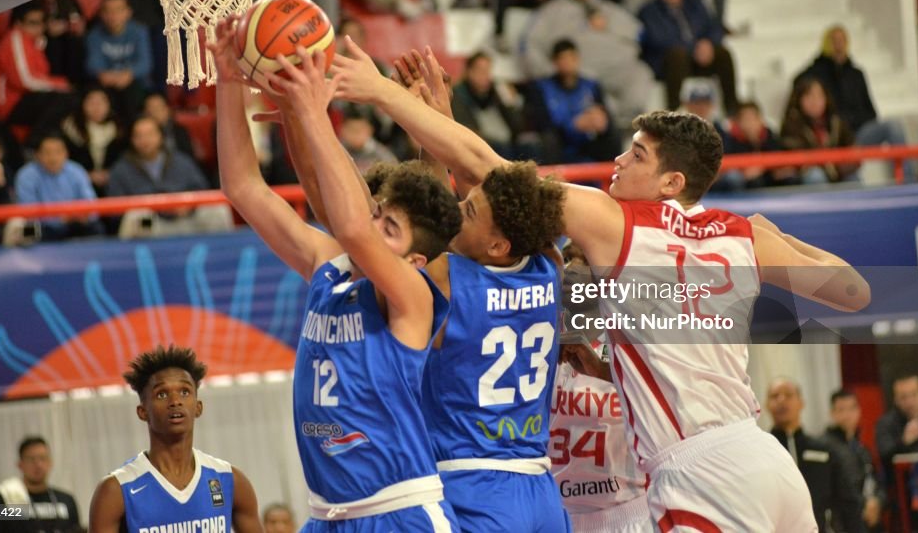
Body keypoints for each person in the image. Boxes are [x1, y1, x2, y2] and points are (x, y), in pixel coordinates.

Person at [331, 58, 872, 529]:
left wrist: (386, 95)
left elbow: (491, 174)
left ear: (671, 183)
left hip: (699, 469)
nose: (618, 162)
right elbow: (854, 292)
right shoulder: (741, 233)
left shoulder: (615, 224)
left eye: (637, 156)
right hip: (763, 456)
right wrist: (775, 238)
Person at [213, 20, 464, 530]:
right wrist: (227, 82)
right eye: (379, 212)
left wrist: (309, 112)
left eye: (388, 227)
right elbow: (242, 187)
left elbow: (351, 223)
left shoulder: (413, 297)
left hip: (400, 512)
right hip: (325, 517)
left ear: (416, 260)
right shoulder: (330, 268)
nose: (373, 225)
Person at [329, 40, 570, 532]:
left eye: (471, 211)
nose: (457, 209)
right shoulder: (550, 264)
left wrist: (415, 116)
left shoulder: (448, 277)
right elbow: (458, 191)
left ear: (499, 244)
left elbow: (428, 213)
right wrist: (438, 120)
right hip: (542, 490)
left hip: (472, 485)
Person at [88, 346, 261, 533]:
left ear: (198, 407)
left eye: (185, 392)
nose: (175, 401)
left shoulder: (230, 480)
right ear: (142, 412)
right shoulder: (116, 490)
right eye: (162, 394)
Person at [550, 246, 650, 533]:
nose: (572, 269)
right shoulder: (538, 336)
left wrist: (606, 373)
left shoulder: (636, 339)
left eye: (585, 260)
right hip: (556, 513)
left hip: (628, 511)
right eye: (568, 258)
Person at [524, 0, 654, 130]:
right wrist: (551, 73)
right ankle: (607, 125)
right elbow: (530, 46)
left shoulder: (608, 9)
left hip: (617, 71)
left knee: (641, 73)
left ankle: (626, 125)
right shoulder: (551, 12)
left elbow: (640, 35)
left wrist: (609, 26)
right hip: (580, 74)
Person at [766, 378, 865, 533]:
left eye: (788, 395)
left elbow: (849, 503)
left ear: (801, 403)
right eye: (775, 396)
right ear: (766, 405)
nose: (781, 400)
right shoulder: (762, 452)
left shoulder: (824, 451)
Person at [638, 0, 738, 113]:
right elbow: (659, 40)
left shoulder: (695, 3)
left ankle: (732, 109)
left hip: (699, 57)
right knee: (677, 55)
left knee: (723, 54)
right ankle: (673, 111)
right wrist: (694, 48)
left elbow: (713, 26)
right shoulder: (649, 12)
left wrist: (709, 43)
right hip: (668, 62)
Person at [107, 117, 229, 237]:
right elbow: (115, 211)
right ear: (132, 140)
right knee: (138, 217)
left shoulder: (181, 161)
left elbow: (202, 190)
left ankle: (223, 253)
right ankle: (140, 256)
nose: (145, 140)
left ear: (160, 136)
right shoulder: (121, 169)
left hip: (186, 220)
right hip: (153, 225)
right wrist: (155, 207)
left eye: (150, 134)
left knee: (216, 210)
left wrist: (188, 206)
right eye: (139, 136)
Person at [796, 25, 905, 149]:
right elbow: (800, 86)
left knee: (893, 126)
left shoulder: (856, 75)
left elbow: (870, 112)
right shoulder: (816, 73)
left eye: (842, 40)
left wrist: (854, 120)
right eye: (834, 41)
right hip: (835, 136)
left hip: (859, 132)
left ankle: (905, 169)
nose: (839, 45)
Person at [526, 39, 622, 163]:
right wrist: (573, 125)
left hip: (587, 140)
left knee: (612, 132)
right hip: (560, 141)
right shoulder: (542, 87)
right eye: (562, 58)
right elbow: (542, 122)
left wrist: (599, 120)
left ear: (577, 59)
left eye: (571, 57)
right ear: (555, 62)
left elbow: (603, 113)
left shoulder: (591, 86)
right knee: (548, 140)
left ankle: (611, 174)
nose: (567, 63)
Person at [0, 0, 73, 129]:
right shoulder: (14, 39)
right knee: (64, 100)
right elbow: (25, 80)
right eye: (33, 23)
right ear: (18, 23)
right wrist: (60, 84)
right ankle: (35, 144)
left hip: (26, 98)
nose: (39, 27)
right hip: (8, 105)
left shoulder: (36, 42)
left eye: (42, 22)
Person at [0, 436, 80, 533]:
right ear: (20, 465)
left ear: (50, 463)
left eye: (42, 458)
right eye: (31, 459)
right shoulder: (2, 500)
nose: (38, 465)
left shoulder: (67, 500)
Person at [14, 133, 103, 241]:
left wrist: (82, 215)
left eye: (58, 152)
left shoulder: (76, 171)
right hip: (44, 226)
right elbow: (28, 213)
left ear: (66, 153)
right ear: (38, 155)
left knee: (96, 227)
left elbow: (91, 204)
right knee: (29, 230)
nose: (53, 158)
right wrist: (59, 218)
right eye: (47, 153)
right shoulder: (26, 175)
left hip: (73, 223)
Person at [85, 0, 153, 123]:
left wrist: (128, 74)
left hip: (134, 83)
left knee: (133, 94)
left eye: (118, 10)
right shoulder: (94, 35)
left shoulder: (139, 31)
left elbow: (145, 63)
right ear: (102, 14)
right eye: (108, 11)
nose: (113, 16)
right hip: (106, 84)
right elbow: (92, 65)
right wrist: (106, 75)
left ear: (128, 12)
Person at [824, 389, 885, 532]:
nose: (847, 415)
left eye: (852, 408)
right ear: (832, 413)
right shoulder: (826, 447)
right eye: (841, 410)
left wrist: (877, 501)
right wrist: (864, 504)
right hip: (843, 523)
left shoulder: (861, 448)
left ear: (859, 411)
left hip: (868, 522)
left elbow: (876, 480)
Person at [780, 75, 859, 184]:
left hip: (838, 170)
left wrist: (840, 167)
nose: (815, 101)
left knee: (853, 177)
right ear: (799, 99)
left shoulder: (836, 121)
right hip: (808, 174)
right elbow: (797, 158)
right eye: (809, 96)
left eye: (819, 96)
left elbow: (852, 148)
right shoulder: (792, 124)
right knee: (815, 176)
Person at [451, 51, 529, 160]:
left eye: (488, 71)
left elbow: (517, 126)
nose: (485, 76)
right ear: (469, 72)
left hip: (507, 140)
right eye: (481, 71)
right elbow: (466, 128)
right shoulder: (459, 94)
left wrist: (511, 102)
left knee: (530, 145)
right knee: (500, 148)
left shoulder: (497, 91)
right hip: (481, 142)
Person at [716, 101, 797, 191]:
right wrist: (744, 173)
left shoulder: (769, 135)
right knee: (737, 179)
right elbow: (728, 165)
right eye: (746, 119)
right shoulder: (731, 138)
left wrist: (764, 168)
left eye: (754, 118)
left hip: (767, 176)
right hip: (745, 181)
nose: (751, 123)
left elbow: (778, 158)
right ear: (738, 122)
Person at [59, 88, 125, 196]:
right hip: (77, 184)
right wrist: (85, 175)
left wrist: (111, 173)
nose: (97, 107)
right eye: (92, 102)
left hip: (113, 183)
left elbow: (123, 159)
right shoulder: (69, 129)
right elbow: (64, 161)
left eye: (101, 102)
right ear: (83, 104)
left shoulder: (119, 128)